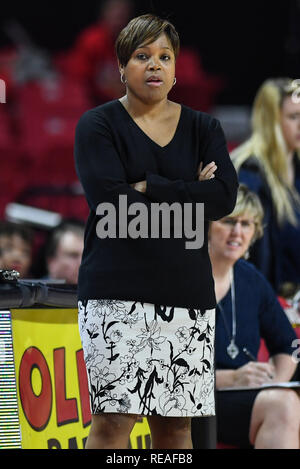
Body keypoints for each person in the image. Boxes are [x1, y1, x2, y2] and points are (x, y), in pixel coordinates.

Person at [75, 14, 238, 449]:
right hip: (116, 294)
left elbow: (223, 198)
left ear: (176, 70)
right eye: (142, 56)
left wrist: (149, 187)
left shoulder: (205, 128)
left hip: (186, 293)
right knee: (113, 423)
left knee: (177, 429)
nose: (154, 65)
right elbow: (111, 203)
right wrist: (190, 190)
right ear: (121, 68)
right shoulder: (98, 125)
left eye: (164, 57)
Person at [206, 184, 300, 449]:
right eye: (229, 222)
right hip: (191, 401)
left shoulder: (252, 280)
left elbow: (291, 345)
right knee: (283, 404)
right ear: (207, 226)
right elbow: (161, 368)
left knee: (283, 400)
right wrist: (232, 379)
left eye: (247, 224)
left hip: (242, 399)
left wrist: (276, 381)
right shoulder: (182, 277)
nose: (238, 232)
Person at [231, 78, 300, 293]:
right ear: (271, 122)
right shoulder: (250, 175)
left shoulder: (296, 167)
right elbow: (248, 260)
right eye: (293, 117)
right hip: (268, 305)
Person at [45, 220, 84, 284]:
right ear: (51, 262)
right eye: (73, 255)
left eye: (86, 256)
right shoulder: (29, 293)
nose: (82, 263)